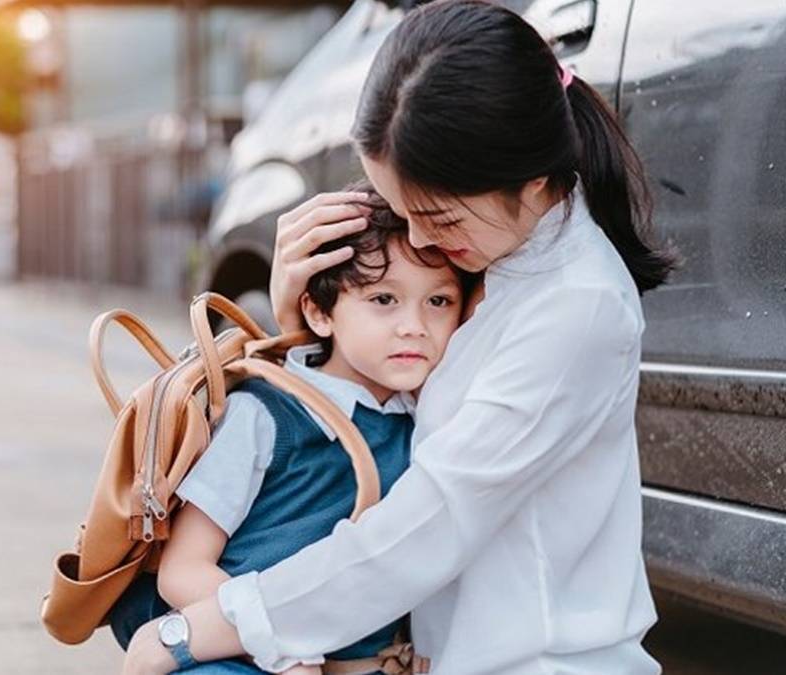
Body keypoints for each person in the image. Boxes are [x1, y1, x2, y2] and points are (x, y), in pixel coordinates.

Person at [121, 1, 677, 673]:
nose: (416, 240)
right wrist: (303, 321)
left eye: (435, 216)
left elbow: (427, 524)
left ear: (531, 180)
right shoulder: (499, 261)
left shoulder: (575, 307)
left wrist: (203, 629)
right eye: (404, 213)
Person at [108, 186, 465, 674]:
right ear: (319, 312)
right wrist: (277, 646)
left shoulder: (428, 422)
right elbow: (182, 571)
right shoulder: (267, 414)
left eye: (439, 301)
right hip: (238, 654)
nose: (414, 325)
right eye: (384, 299)